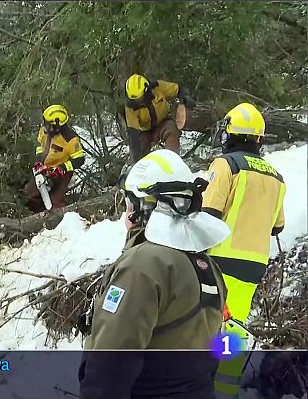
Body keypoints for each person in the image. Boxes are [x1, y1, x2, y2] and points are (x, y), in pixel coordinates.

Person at [78, 149, 231, 399]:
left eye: (129, 203)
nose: (126, 215)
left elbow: (110, 364)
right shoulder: (206, 265)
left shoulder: (142, 266)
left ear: (142, 208)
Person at [202, 103, 287, 399]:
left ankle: (197, 383)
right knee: (234, 325)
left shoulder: (226, 165)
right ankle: (225, 388)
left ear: (230, 133)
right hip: (254, 264)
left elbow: (208, 212)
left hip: (219, 259)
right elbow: (277, 226)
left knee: (205, 323)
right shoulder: (276, 177)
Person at [24, 104, 85, 213]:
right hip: (44, 167)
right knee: (30, 194)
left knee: (54, 201)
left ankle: (60, 219)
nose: (45, 127)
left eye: (48, 124)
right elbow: (39, 145)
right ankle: (36, 216)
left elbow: (79, 160)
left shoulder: (71, 139)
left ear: (57, 125)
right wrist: (38, 161)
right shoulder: (44, 130)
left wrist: (62, 168)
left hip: (62, 171)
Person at [124, 73, 196, 163]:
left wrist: (185, 97)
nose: (138, 102)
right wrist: (137, 159)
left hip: (163, 122)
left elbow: (178, 89)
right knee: (140, 147)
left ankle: (173, 162)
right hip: (145, 131)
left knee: (171, 131)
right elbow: (133, 133)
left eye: (140, 98)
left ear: (146, 90)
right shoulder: (130, 107)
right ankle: (144, 170)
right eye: (135, 100)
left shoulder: (158, 87)